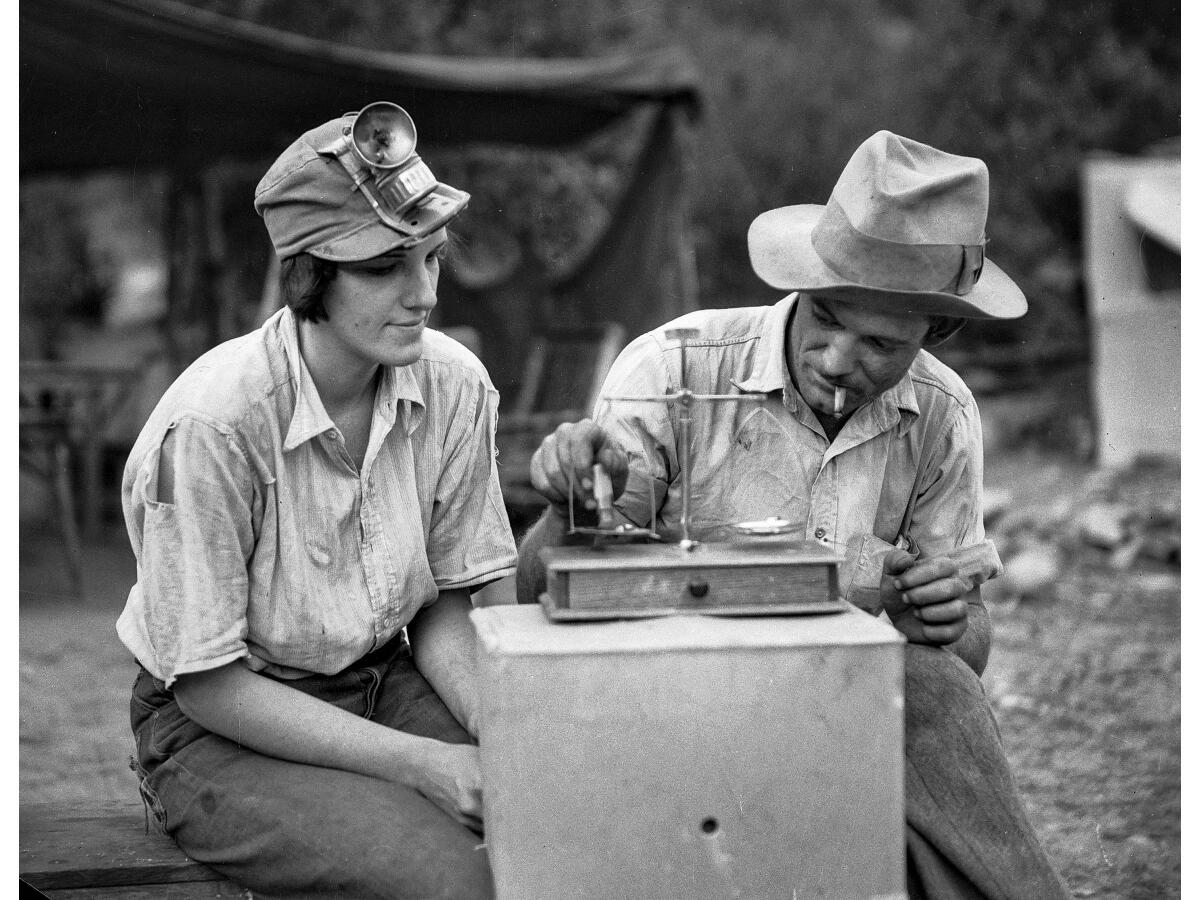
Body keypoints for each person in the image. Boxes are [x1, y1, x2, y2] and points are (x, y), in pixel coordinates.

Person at [517, 131, 1072, 899]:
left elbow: (966, 649)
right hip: (670, 694)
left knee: (939, 689)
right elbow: (537, 591)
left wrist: (943, 616)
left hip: (836, 711)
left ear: (937, 331)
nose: (839, 360)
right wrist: (569, 509)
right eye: (826, 317)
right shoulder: (676, 367)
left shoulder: (942, 416)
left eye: (879, 342)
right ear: (803, 283)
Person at [117, 103, 516, 899]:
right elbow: (207, 681)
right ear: (308, 277)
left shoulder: (454, 383)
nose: (423, 294)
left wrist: (493, 730)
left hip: (384, 678)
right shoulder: (215, 424)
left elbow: (447, 599)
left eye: (433, 259)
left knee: (548, 815)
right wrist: (426, 764)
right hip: (217, 727)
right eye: (384, 269)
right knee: (452, 878)